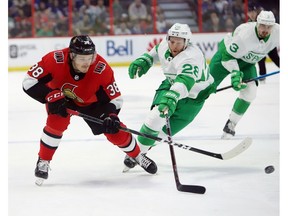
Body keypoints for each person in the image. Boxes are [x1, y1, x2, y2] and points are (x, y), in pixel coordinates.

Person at [22, 35, 157, 185]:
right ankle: (43, 160)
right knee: (56, 123)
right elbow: (29, 81)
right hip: (60, 99)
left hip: (91, 102)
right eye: (81, 59)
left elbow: (115, 99)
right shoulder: (55, 59)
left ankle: (137, 156)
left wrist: (111, 116)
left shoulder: (101, 68)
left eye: (89, 58)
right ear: (71, 55)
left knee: (115, 131)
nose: (87, 63)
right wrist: (49, 95)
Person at [122, 23, 215, 171]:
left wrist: (172, 97)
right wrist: (146, 59)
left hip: (194, 96)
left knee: (163, 133)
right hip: (171, 85)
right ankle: (138, 155)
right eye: (172, 41)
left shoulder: (192, 57)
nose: (174, 46)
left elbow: (185, 82)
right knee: (154, 119)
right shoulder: (165, 45)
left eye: (179, 42)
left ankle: (137, 153)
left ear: (187, 42)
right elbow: (156, 50)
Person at [208, 10, 280, 139]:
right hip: (226, 56)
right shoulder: (245, 35)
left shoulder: (279, 32)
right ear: (257, 23)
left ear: (273, 27)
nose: (265, 29)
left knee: (250, 92)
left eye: (268, 27)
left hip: (247, 63)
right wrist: (236, 75)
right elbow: (228, 56)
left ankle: (231, 125)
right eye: (262, 25)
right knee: (204, 88)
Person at [247, 3, 280, 83]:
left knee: (275, 59)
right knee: (260, 59)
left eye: (253, 12)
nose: (251, 14)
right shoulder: (249, 22)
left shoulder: (263, 18)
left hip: (269, 43)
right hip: (259, 45)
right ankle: (262, 77)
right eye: (249, 12)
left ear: (256, 11)